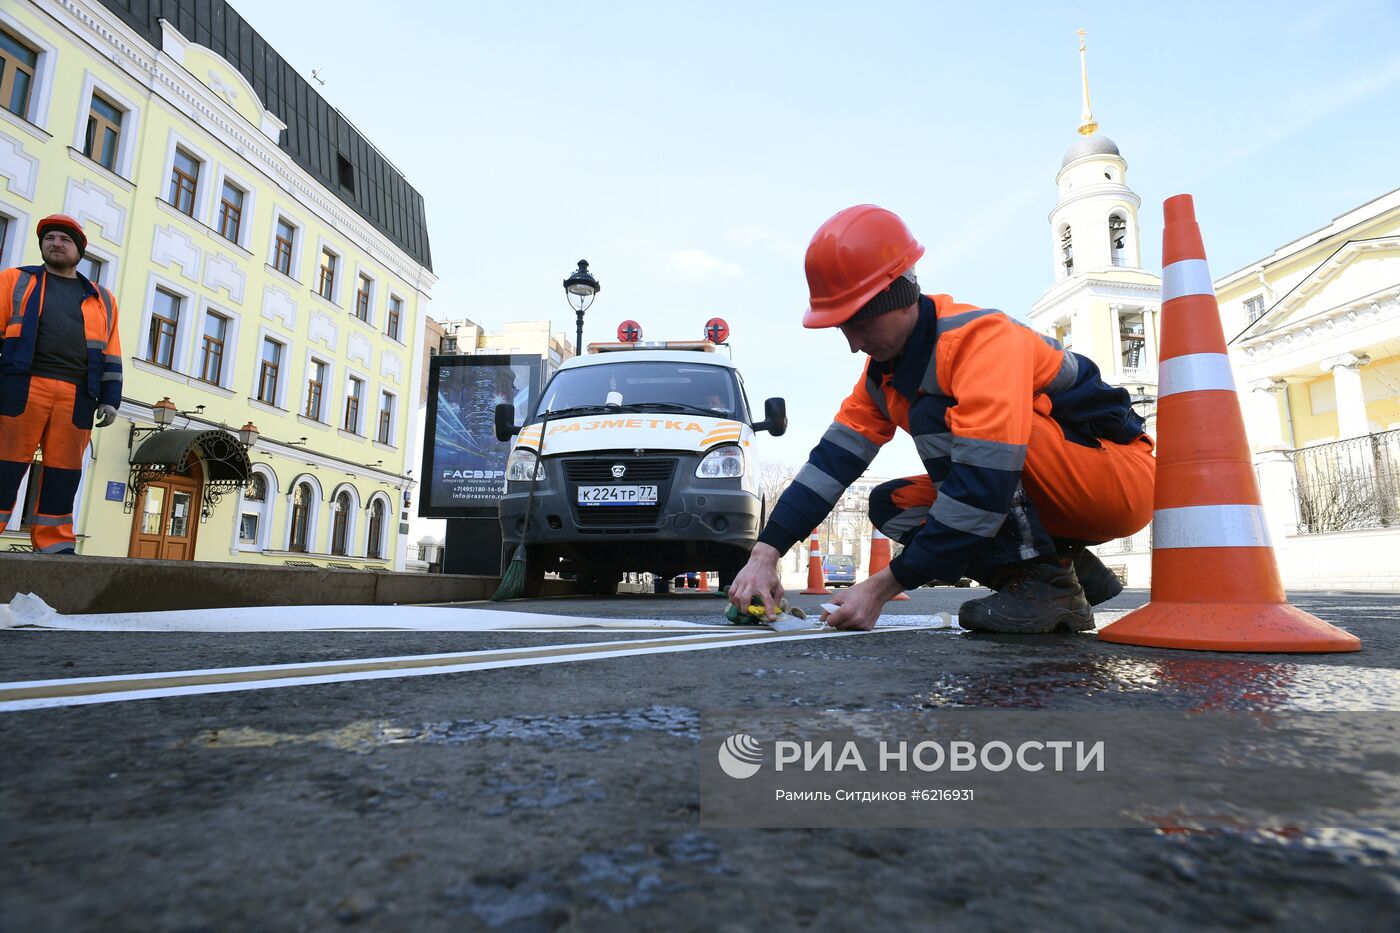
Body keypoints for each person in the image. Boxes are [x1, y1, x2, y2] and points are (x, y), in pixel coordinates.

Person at [728, 205, 1154, 633]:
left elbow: (981, 489)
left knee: (943, 418)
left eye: (857, 322)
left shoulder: (979, 342)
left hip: (1117, 481)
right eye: (842, 327)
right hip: (1059, 484)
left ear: (895, 298)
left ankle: (1049, 584)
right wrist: (765, 553)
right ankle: (1060, 574)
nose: (853, 344)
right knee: (891, 505)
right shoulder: (885, 375)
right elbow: (829, 466)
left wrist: (878, 588)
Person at [0, 215, 122, 554]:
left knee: (64, 472)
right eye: (49, 237)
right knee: (5, 463)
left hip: (78, 395)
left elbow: (112, 350)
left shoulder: (103, 299)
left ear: (79, 250)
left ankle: (54, 544)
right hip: (22, 386)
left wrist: (110, 398)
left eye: (65, 239)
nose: (56, 243)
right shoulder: (15, 280)